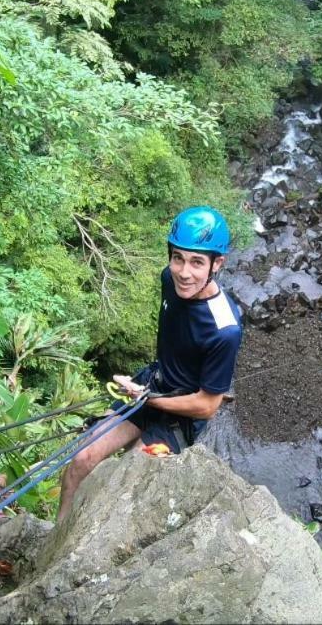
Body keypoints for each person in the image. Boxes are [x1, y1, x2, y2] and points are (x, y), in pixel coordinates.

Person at [56, 206, 243, 521]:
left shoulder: (225, 329)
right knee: (82, 459)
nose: (184, 272)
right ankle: (55, 536)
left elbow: (208, 406)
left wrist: (152, 399)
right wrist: (147, 391)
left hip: (178, 417)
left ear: (217, 264)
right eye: (178, 257)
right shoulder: (169, 280)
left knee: (119, 488)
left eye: (197, 262)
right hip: (151, 385)